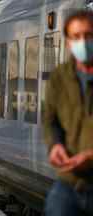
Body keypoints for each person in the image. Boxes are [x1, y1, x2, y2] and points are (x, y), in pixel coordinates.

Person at [44, 10, 93, 216]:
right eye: (76, 36)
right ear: (67, 43)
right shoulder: (60, 77)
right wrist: (55, 145)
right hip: (70, 181)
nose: (83, 41)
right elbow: (50, 119)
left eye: (88, 35)